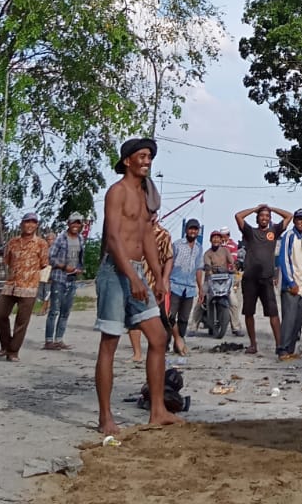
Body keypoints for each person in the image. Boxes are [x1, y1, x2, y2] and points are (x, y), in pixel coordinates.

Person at [94, 136, 180, 435]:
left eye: (149, 156)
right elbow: (114, 238)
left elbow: (145, 237)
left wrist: (158, 277)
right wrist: (131, 277)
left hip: (138, 272)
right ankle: (105, 417)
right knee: (110, 342)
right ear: (127, 160)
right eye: (141, 156)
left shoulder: (145, 195)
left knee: (158, 338)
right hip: (114, 272)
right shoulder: (116, 192)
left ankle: (158, 410)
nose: (146, 161)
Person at [235, 202, 291, 356]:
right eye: (262, 216)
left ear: (270, 218)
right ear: (257, 218)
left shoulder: (274, 231)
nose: (264, 218)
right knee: (248, 312)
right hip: (250, 280)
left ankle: (279, 346)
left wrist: (271, 208)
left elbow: (289, 216)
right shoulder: (250, 232)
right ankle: (253, 344)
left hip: (266, 279)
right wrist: (255, 209)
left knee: (273, 313)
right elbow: (238, 216)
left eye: (267, 216)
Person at [0, 211, 48, 361]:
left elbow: (44, 264)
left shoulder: (41, 244)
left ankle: (13, 351)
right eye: (27, 222)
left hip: (29, 287)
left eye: (33, 222)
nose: (30, 225)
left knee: (21, 321)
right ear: (22, 224)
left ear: (36, 225)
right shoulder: (13, 242)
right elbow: (8, 261)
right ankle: (5, 344)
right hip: (11, 285)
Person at [128, 212, 173, 363]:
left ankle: (158, 350)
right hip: (135, 278)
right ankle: (137, 353)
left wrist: (164, 279)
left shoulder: (163, 234)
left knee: (158, 318)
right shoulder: (133, 231)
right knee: (134, 318)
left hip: (154, 281)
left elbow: (168, 258)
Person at [45, 214, 87, 350]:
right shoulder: (61, 239)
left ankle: (59, 339)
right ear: (68, 223)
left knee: (65, 311)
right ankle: (48, 340)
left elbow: (80, 258)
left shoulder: (80, 239)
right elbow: (49, 257)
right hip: (59, 277)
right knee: (54, 310)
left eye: (78, 223)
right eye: (73, 223)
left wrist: (79, 269)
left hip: (72, 278)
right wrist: (63, 266)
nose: (75, 225)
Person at [277, 208, 302, 360]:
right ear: (294, 221)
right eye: (299, 219)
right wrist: (290, 282)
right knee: (289, 318)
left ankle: (291, 349)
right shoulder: (289, 236)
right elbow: (284, 260)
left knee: (298, 320)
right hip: (290, 285)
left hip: (301, 284)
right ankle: (282, 349)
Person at [168, 218, 205, 356]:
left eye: (195, 229)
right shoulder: (177, 245)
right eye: (191, 229)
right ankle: (165, 343)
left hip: (189, 288)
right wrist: (165, 281)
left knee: (184, 318)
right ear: (186, 230)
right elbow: (169, 264)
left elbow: (199, 269)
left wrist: (200, 288)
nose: (193, 231)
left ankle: (179, 345)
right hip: (175, 285)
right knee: (170, 316)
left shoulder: (198, 248)